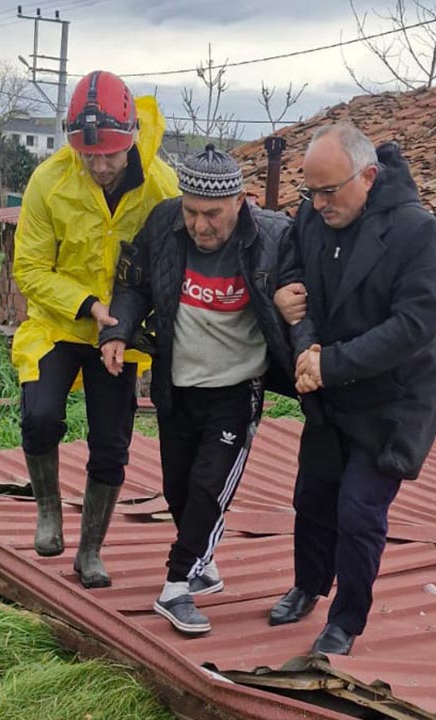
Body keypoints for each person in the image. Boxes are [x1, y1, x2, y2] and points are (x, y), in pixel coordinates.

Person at [99, 144, 301, 635]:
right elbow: (135, 285)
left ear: (239, 202)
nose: (200, 224)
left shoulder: (274, 236)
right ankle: (204, 562)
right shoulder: (164, 223)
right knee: (179, 489)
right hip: (177, 379)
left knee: (210, 487)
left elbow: (306, 288)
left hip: (236, 386)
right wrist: (117, 331)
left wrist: (290, 310)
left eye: (212, 213)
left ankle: (176, 585)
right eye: (191, 211)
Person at [270, 122, 436, 656]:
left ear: (368, 177)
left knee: (359, 511)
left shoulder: (416, 232)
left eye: (329, 191)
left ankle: (346, 619)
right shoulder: (311, 214)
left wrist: (331, 364)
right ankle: (308, 585)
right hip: (329, 389)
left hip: (391, 399)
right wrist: (301, 340)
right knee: (313, 496)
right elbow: (293, 277)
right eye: (311, 191)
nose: (319, 203)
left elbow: (414, 326)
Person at [12, 70, 179, 588]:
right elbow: (30, 269)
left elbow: (169, 271)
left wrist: (127, 326)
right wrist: (85, 304)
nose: (100, 166)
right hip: (59, 324)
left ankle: (90, 551)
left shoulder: (161, 188)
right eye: (90, 156)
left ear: (130, 140)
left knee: (111, 444)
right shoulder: (48, 181)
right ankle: (47, 511)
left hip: (120, 335)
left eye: (109, 154)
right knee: (40, 417)